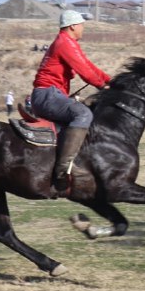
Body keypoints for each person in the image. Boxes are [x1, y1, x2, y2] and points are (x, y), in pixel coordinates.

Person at [30, 10, 111, 194]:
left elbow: (89, 66)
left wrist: (110, 81)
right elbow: (86, 72)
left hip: (50, 94)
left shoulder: (68, 43)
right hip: (47, 95)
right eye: (82, 25)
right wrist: (103, 85)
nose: (83, 28)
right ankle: (62, 169)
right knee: (83, 113)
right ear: (73, 26)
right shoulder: (64, 43)